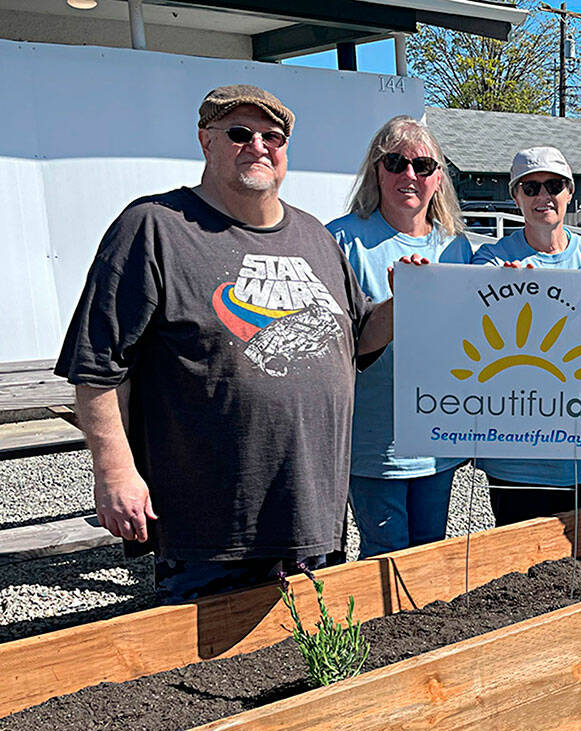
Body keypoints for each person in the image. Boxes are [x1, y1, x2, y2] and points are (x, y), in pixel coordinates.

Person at [55, 84, 393, 603]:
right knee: (207, 674)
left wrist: (417, 299)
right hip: (209, 527)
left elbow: (360, 336)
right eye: (240, 133)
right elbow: (96, 365)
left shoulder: (315, 237)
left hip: (313, 514)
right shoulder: (153, 228)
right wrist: (115, 473)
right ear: (205, 141)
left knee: (313, 666)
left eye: (272, 137)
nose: (258, 145)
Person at [327, 116, 472, 558]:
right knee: (384, 550)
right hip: (374, 438)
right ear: (376, 170)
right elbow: (340, 348)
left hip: (439, 433)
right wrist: (399, 305)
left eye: (423, 166)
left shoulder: (457, 247)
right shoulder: (341, 240)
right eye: (396, 163)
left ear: (439, 178)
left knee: (431, 552)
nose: (410, 175)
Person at [471, 146, 581, 525]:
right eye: (530, 188)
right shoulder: (491, 262)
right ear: (515, 197)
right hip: (511, 453)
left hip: (579, 452)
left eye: (554, 186)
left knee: (575, 560)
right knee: (511, 562)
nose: (543, 196)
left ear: (570, 192)